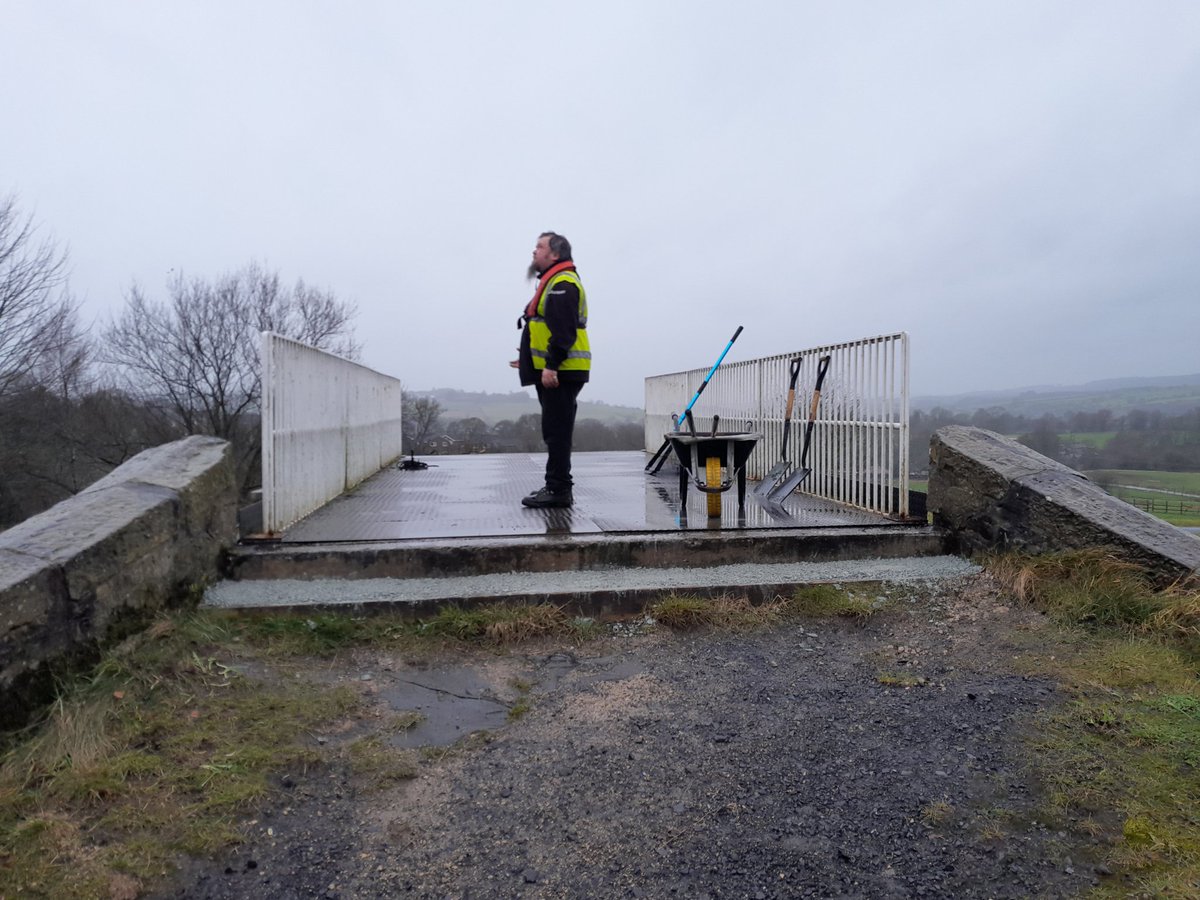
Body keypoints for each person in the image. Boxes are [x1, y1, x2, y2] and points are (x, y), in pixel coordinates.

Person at [510, 231, 591, 508]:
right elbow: (545, 327)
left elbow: (564, 331)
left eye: (540, 246)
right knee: (555, 429)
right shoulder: (554, 281)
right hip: (558, 369)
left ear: (555, 254)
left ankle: (559, 489)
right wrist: (528, 359)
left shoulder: (562, 283)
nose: (534, 251)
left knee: (557, 431)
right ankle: (555, 485)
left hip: (562, 371)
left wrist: (551, 366)